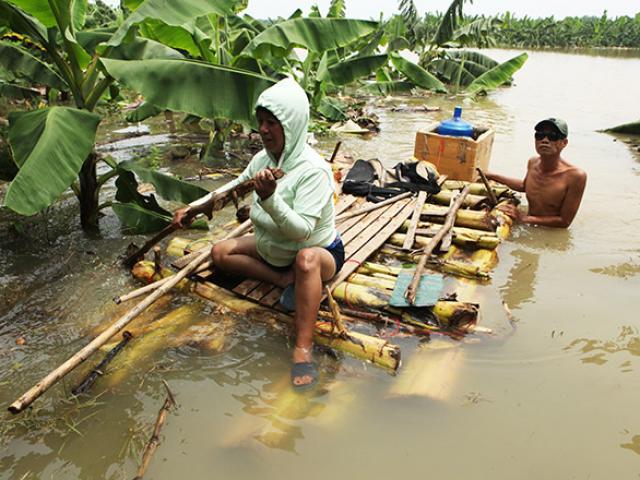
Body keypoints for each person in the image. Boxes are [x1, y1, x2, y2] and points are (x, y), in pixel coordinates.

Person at [172, 77, 343, 391]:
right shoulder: (262, 161)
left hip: (318, 252)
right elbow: (231, 189)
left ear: (291, 125)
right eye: (260, 122)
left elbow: (301, 233)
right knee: (220, 252)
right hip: (274, 250)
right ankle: (282, 280)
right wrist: (195, 207)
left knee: (305, 260)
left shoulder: (313, 170)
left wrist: (269, 198)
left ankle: (302, 349)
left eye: (272, 123)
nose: (263, 130)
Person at [486, 118, 587, 228]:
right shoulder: (533, 162)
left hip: (548, 233)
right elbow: (525, 186)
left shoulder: (575, 176)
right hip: (528, 224)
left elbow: (564, 222)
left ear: (564, 143)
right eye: (540, 135)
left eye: (552, 136)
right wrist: (491, 175)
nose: (545, 140)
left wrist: (524, 218)